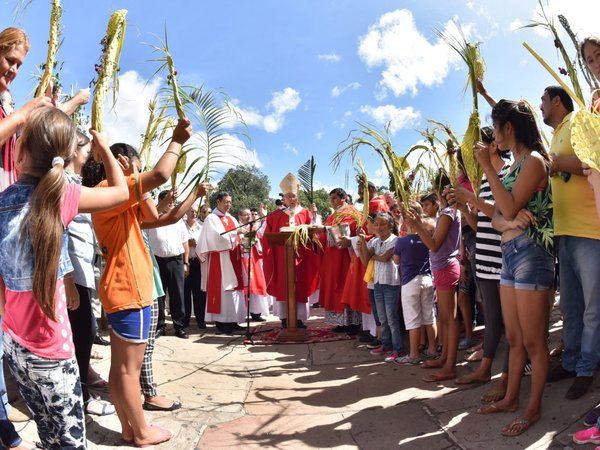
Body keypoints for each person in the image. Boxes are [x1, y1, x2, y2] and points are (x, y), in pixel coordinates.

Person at [0, 107, 128, 448]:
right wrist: (103, 148)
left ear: (20, 152)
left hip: (14, 346)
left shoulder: (1, 203)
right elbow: (122, 193)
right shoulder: (63, 196)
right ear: (68, 155)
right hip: (52, 351)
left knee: (45, 432)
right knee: (70, 442)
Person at [86, 117, 193, 446]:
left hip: (124, 288)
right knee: (128, 370)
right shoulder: (108, 192)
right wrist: (177, 140)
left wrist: (130, 174)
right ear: (121, 164)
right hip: (128, 289)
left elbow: (154, 218)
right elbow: (161, 174)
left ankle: (130, 428)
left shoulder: (116, 200)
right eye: (137, 164)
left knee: (120, 369)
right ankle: (142, 431)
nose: (142, 170)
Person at [474, 100, 554, 437]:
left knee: (535, 341)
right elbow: (496, 218)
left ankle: (532, 407)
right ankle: (510, 398)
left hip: (532, 254)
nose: (494, 136)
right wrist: (508, 220)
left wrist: (487, 168)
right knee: (515, 336)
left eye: (496, 127)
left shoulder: (533, 161)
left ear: (509, 127)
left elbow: (504, 207)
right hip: (510, 252)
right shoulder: (512, 167)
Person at [540, 84, 600, 401]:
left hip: (591, 230)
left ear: (557, 101)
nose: (540, 106)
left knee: (592, 307)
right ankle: (571, 360)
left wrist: (555, 163)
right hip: (564, 231)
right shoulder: (555, 134)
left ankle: (587, 368)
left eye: (543, 101)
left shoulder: (580, 122)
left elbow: (593, 164)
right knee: (571, 305)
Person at [446, 127, 512, 402]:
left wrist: (471, 199)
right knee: (494, 319)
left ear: (494, 146)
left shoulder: (508, 173)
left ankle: (506, 375)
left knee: (510, 323)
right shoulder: (484, 179)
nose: (472, 152)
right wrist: (464, 208)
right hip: (483, 257)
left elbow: (503, 214)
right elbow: (479, 224)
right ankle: (485, 368)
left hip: (503, 257)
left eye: (477, 146)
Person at [64, 131, 115, 417]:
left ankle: (81, 388)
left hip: (79, 269)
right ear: (73, 150)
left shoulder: (75, 183)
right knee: (81, 336)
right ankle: (81, 397)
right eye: (85, 149)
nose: (89, 153)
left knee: (82, 335)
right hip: (72, 273)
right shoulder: (66, 185)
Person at [405, 172, 461, 383]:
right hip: (441, 267)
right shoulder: (446, 212)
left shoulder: (448, 213)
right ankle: (445, 357)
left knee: (450, 319)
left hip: (446, 267)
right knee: (445, 318)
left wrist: (418, 226)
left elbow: (434, 245)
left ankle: (450, 366)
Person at [262, 173, 321, 328]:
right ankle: (284, 318)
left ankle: (299, 319)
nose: (291, 199)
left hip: (302, 258)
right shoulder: (274, 216)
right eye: (288, 196)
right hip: (282, 258)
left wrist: (315, 217)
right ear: (284, 199)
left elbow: (316, 233)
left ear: (297, 197)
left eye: (293, 196)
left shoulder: (306, 213)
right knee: (283, 284)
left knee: (299, 285)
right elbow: (265, 236)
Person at [393, 202, 437, 365]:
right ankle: (432, 349)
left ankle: (413, 354)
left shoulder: (402, 242)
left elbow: (396, 260)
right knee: (429, 316)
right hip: (426, 279)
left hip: (410, 281)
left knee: (413, 320)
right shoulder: (427, 238)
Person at [197, 192, 246, 335]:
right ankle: (222, 322)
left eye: (230, 202)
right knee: (223, 292)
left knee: (235, 291)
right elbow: (217, 239)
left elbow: (239, 234)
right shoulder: (211, 219)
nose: (229, 205)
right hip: (220, 259)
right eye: (226, 202)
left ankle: (233, 320)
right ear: (218, 201)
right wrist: (236, 234)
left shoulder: (231, 218)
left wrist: (243, 237)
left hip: (234, 258)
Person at [358, 213, 402, 361]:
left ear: (390, 225)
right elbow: (365, 261)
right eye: (377, 224)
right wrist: (363, 242)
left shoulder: (395, 240)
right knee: (382, 318)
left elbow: (385, 258)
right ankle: (386, 344)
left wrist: (372, 256)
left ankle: (397, 348)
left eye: (383, 224)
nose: (379, 227)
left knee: (392, 318)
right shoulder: (375, 242)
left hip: (391, 283)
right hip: (377, 283)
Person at [148, 190, 190, 339]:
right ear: (160, 202)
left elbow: (185, 243)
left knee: (178, 294)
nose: (171, 203)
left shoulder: (178, 220)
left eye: (173, 201)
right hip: (156, 261)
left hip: (176, 260)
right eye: (168, 200)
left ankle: (179, 326)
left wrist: (186, 262)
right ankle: (160, 325)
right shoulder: (150, 220)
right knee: (159, 294)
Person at [320, 188, 362, 334]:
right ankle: (340, 322)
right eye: (330, 199)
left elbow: (357, 231)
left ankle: (353, 323)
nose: (332, 202)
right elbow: (325, 236)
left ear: (343, 198)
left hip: (347, 256)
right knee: (335, 287)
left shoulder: (353, 213)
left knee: (346, 286)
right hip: (332, 257)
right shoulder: (333, 215)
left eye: (334, 198)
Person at [238, 208, 269, 322]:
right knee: (245, 287)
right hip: (241, 260)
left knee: (255, 285)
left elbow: (262, 233)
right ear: (240, 216)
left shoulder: (254, 227)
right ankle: (243, 312)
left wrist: (264, 217)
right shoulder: (238, 228)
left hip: (253, 261)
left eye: (248, 215)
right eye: (245, 215)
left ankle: (256, 313)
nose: (247, 217)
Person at [184, 204, 207, 329]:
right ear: (186, 212)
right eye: (191, 210)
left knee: (199, 293)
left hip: (199, 262)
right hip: (186, 261)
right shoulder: (181, 226)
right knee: (185, 292)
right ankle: (185, 319)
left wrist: (198, 244)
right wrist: (188, 243)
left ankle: (201, 319)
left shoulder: (201, 227)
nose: (193, 213)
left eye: (195, 211)